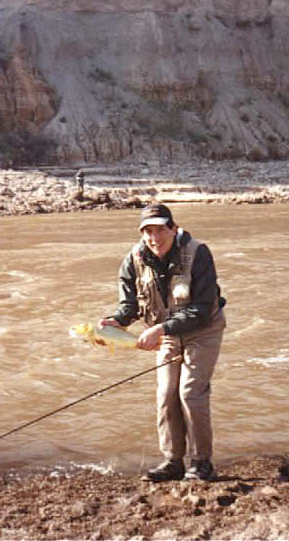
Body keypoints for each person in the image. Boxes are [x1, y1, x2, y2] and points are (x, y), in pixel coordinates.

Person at [100, 203, 227, 482]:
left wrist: (160, 329)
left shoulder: (198, 253)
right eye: (147, 231)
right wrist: (116, 322)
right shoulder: (133, 259)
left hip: (203, 330)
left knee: (190, 393)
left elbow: (204, 307)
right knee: (166, 395)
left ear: (174, 228)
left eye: (160, 230)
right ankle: (173, 461)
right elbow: (130, 304)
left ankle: (202, 463)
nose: (154, 238)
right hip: (168, 334)